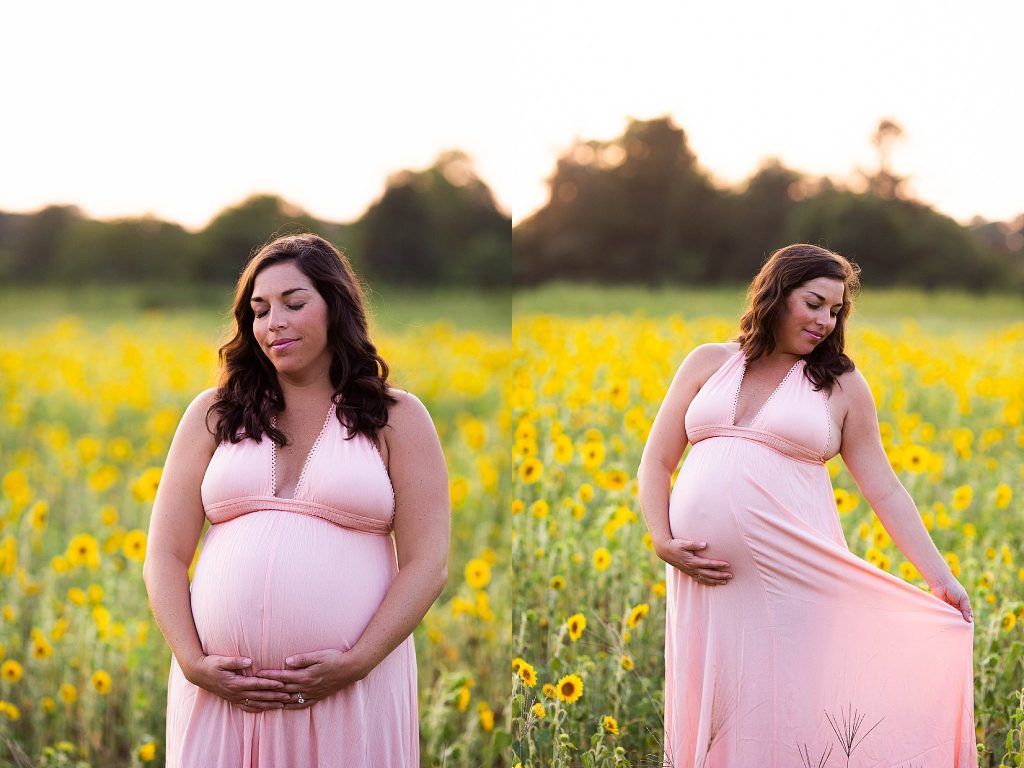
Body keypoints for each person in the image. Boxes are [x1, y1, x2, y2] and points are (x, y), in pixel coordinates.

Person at [637, 244, 977, 766]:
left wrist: (940, 578)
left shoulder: (840, 385)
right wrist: (662, 539)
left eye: (836, 310)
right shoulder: (708, 362)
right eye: (814, 303)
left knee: (792, 708)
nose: (825, 321)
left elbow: (884, 489)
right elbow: (656, 462)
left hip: (796, 581)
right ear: (776, 294)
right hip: (704, 578)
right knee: (717, 711)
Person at [143, 233, 450, 767]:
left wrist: (356, 662)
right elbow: (164, 555)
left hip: (349, 693)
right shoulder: (214, 414)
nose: (273, 323)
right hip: (220, 698)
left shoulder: (397, 417)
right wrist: (193, 663)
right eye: (259, 311)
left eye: (294, 303)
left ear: (335, 307)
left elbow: (427, 563)